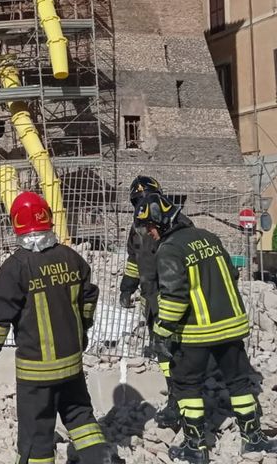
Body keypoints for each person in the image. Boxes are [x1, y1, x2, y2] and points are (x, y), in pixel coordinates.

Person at [134, 193, 277, 464]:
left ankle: (195, 446)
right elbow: (233, 274)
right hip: (232, 325)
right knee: (239, 381)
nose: (149, 233)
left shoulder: (170, 249)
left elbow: (175, 296)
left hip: (197, 332)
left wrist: (162, 332)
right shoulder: (208, 237)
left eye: (150, 226)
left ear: (161, 222)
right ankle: (253, 438)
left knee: (187, 385)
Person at [0, 191, 111, 464]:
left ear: (16, 223)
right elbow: (89, 298)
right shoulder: (72, 258)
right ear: (47, 217)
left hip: (36, 373)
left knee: (37, 433)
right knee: (80, 416)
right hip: (71, 364)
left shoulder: (16, 267)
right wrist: (82, 329)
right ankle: (99, 459)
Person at [117, 175, 179, 428]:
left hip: (175, 294)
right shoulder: (137, 228)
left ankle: (183, 395)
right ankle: (175, 395)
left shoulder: (176, 224)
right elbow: (134, 261)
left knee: (178, 347)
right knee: (163, 349)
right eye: (138, 200)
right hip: (152, 296)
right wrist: (127, 287)